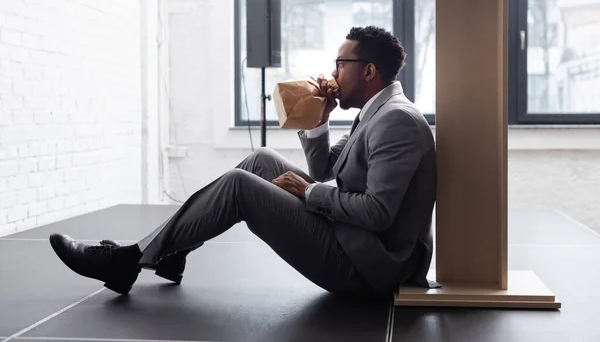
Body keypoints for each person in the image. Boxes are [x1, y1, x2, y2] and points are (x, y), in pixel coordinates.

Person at [49, 25, 438, 297]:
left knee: (239, 185)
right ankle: (172, 253)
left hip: (370, 267)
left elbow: (376, 213)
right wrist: (318, 120)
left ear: (368, 70)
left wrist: (309, 192)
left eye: (340, 63)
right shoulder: (375, 111)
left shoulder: (395, 121)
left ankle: (127, 261)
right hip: (356, 242)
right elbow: (327, 172)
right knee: (262, 159)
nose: (332, 72)